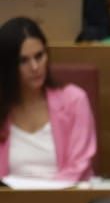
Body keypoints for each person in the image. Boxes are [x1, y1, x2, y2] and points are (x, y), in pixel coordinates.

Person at [0, 15, 96, 182]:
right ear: (7, 66)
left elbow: (79, 166)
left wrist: (44, 198)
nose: (35, 67)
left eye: (39, 56)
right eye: (23, 61)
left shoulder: (74, 100)